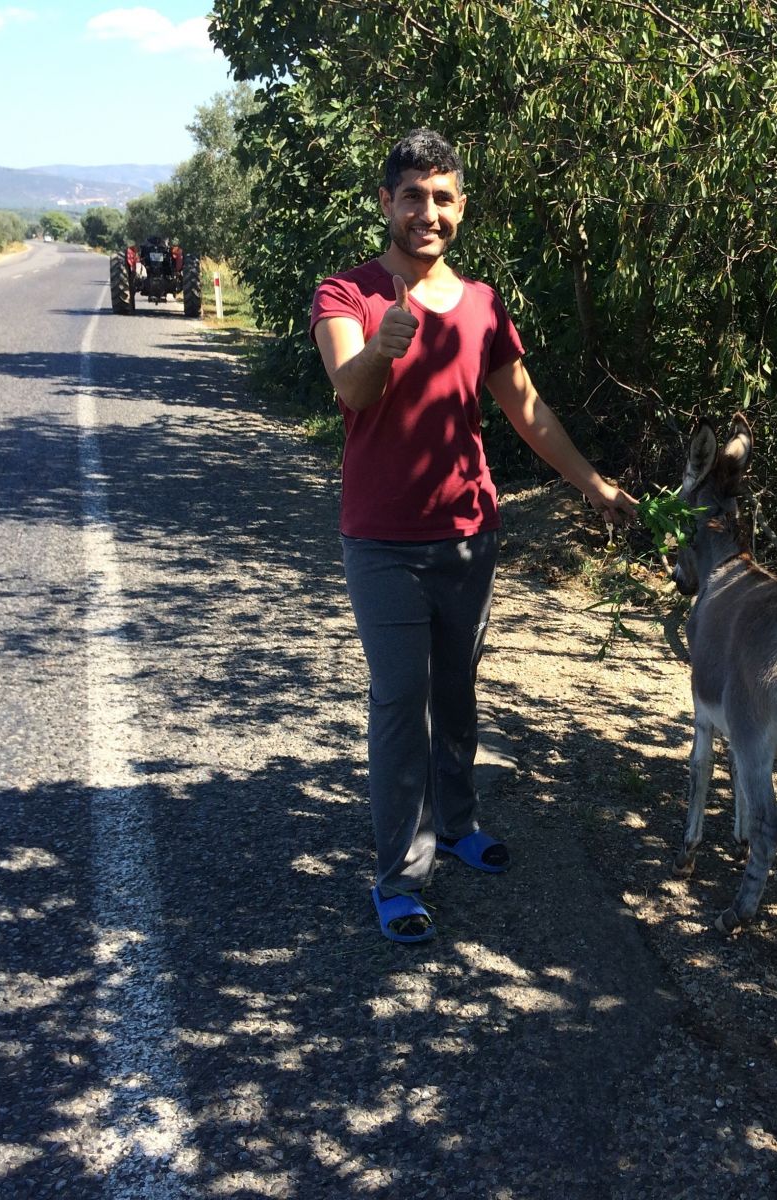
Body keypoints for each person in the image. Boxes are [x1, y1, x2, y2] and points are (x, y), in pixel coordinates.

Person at [310, 128, 635, 943]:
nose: (428, 211)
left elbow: (526, 408)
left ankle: (457, 825)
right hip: (382, 539)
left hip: (467, 533)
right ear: (386, 202)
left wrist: (590, 482)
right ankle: (399, 875)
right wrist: (385, 345)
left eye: (443, 197)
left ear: (462, 207)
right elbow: (348, 391)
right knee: (400, 700)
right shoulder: (346, 294)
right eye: (412, 195)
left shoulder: (485, 303)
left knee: (456, 692)